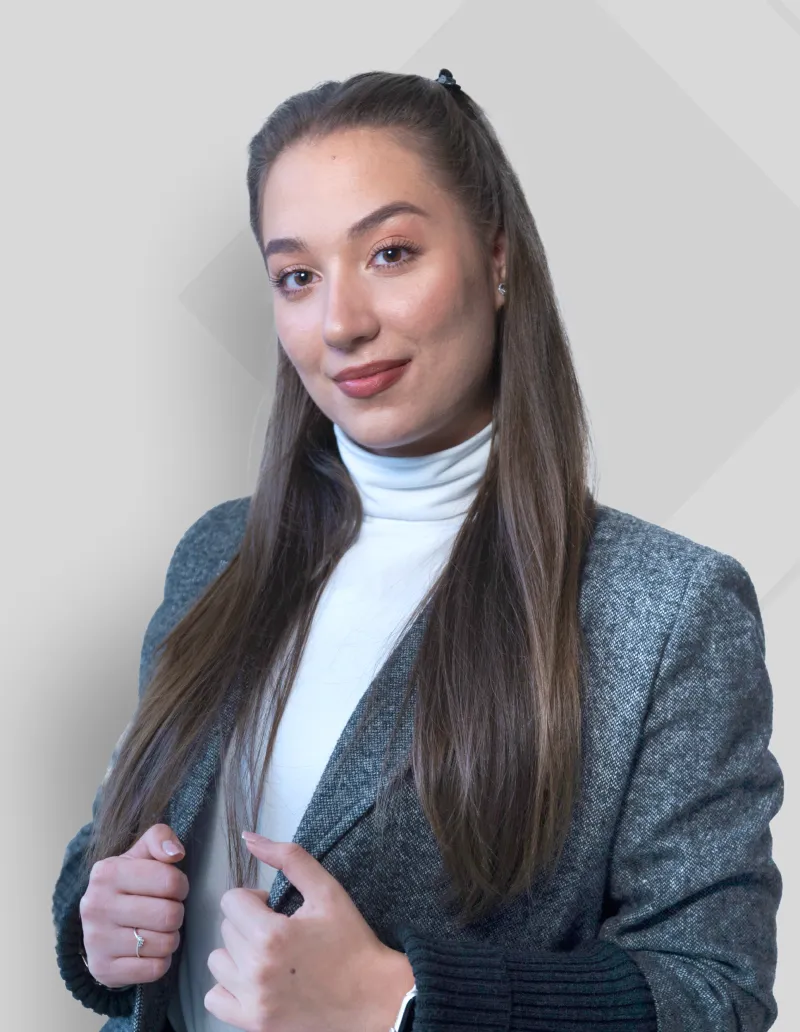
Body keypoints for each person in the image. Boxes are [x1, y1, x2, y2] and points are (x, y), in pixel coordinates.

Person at [52, 68, 784, 1032]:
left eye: (391, 252)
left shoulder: (665, 608)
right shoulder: (218, 552)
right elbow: (120, 829)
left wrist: (402, 1001)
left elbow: (716, 992)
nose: (342, 322)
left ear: (496, 257)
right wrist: (96, 919)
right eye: (297, 277)